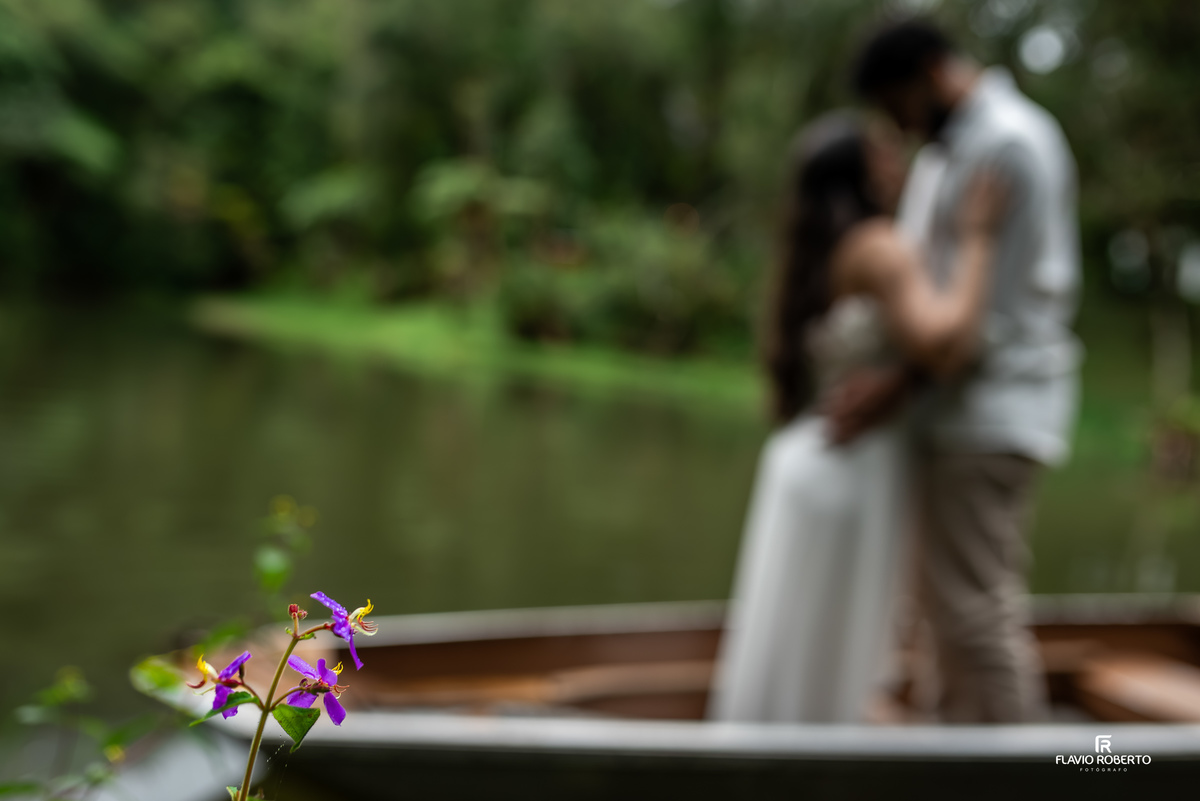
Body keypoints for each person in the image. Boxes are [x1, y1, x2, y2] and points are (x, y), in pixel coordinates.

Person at [708, 108, 1009, 723]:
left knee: (795, 647)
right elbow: (947, 342)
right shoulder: (880, 248)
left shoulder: (821, 253)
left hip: (807, 464)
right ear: (859, 171)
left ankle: (772, 763)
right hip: (850, 474)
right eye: (882, 150)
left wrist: (901, 381)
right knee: (831, 654)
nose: (897, 160)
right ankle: (1091, 769)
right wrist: (980, 238)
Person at [829, 19, 1083, 723]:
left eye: (896, 104)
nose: (897, 126)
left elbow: (970, 331)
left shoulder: (1003, 145)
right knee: (942, 608)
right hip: (957, 410)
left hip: (990, 411)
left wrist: (890, 387)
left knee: (974, 611)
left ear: (932, 75)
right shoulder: (961, 145)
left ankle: (1034, 768)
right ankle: (959, 755)